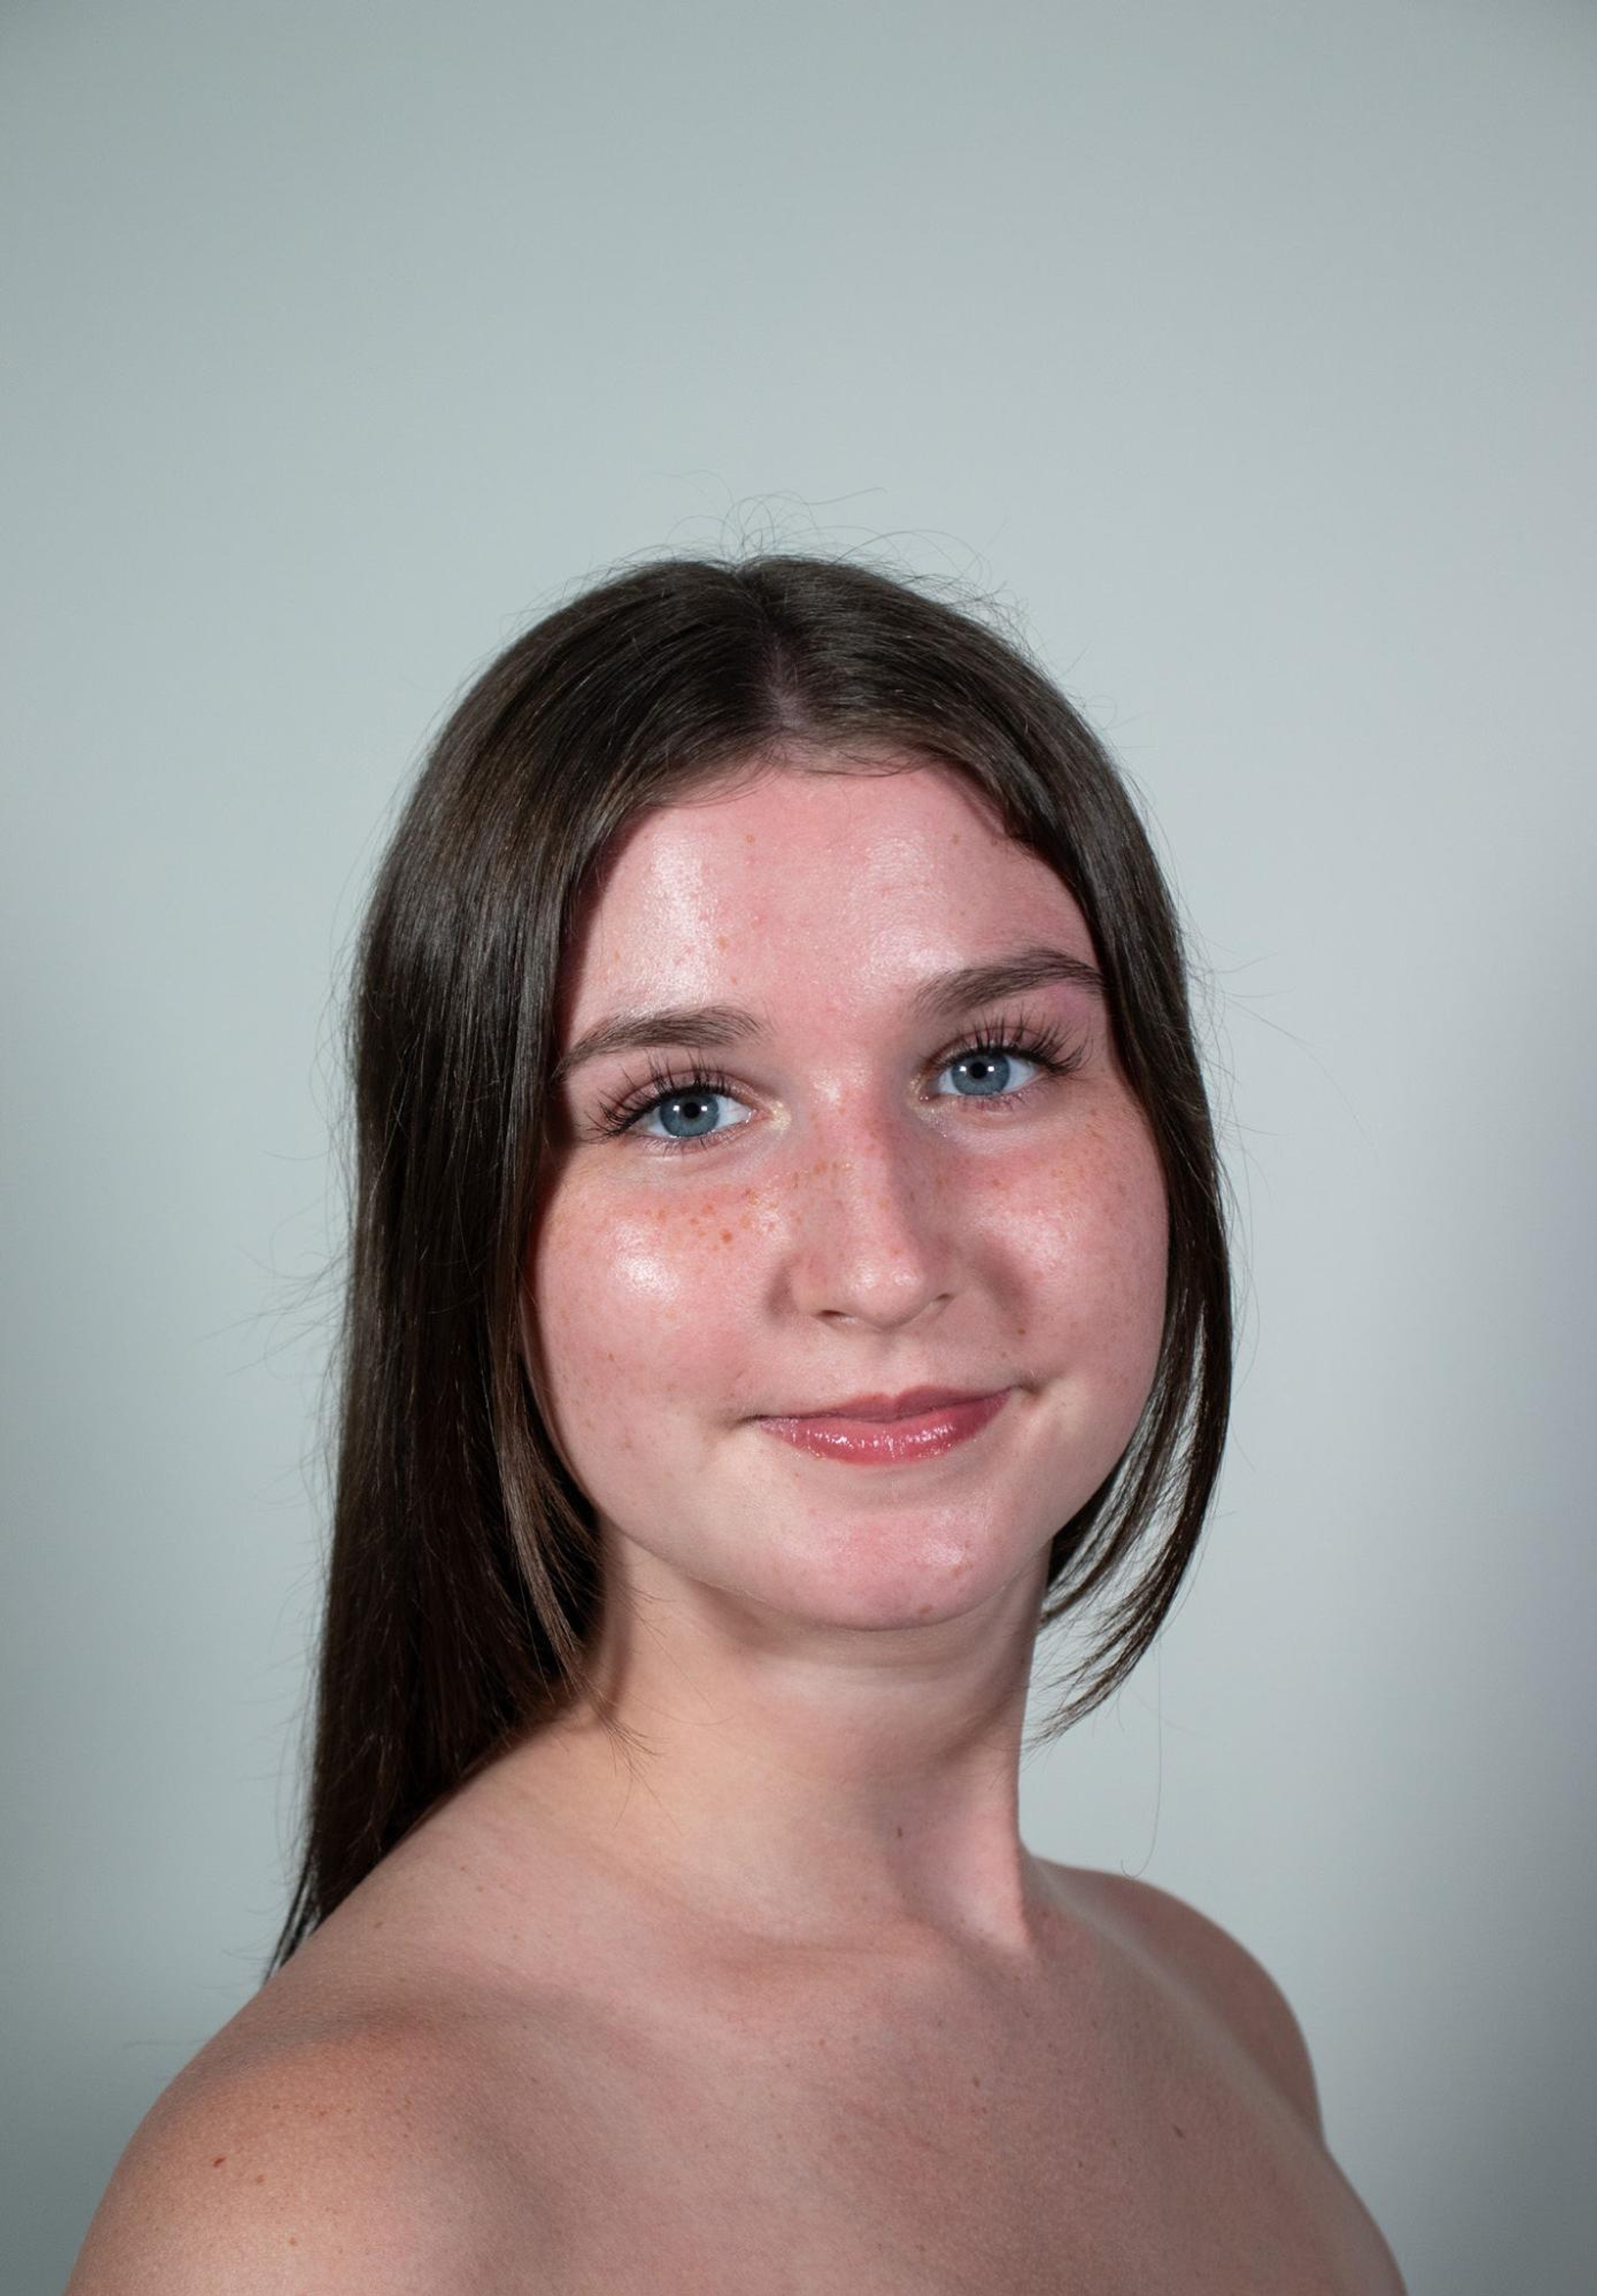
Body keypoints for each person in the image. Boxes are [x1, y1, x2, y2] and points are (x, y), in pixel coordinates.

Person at [67, 554, 1406, 2291]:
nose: (882, 1259)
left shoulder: (1221, 2013)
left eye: (990, 1063)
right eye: (685, 1104)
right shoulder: (335, 2213)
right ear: (476, 1240)